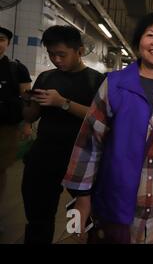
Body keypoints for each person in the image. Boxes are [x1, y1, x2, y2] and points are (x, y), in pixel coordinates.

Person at [62, 12, 153, 244]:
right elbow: (89, 143)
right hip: (117, 206)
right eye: (150, 35)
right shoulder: (114, 84)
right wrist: (82, 197)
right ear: (139, 40)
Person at [21, 25, 104, 244]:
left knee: (87, 219)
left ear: (79, 50)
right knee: (38, 217)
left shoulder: (96, 81)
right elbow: (30, 116)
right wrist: (30, 103)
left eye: (62, 54)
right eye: (51, 54)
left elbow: (101, 119)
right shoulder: (47, 78)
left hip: (81, 160)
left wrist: (63, 103)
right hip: (44, 156)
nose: (56, 60)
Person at [0, 26, 32, 231]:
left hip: (5, 128)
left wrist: (28, 123)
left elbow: (28, 100)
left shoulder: (16, 69)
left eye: (1, 39)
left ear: (7, 43)